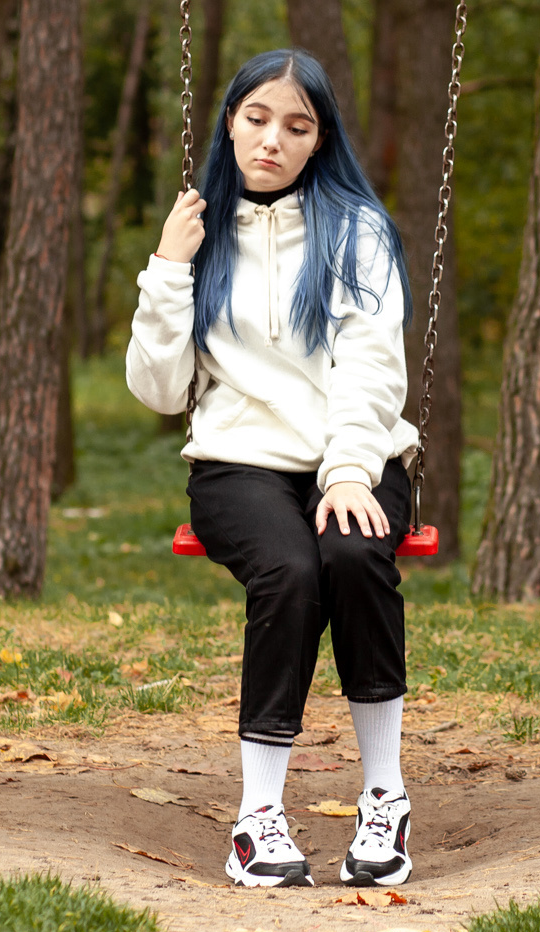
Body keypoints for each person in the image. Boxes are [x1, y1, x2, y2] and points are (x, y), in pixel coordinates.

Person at [127, 49, 420, 888]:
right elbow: (157, 389)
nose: (272, 140)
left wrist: (351, 470)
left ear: (319, 140)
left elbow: (371, 365)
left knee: (355, 556)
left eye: (297, 126)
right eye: (257, 119)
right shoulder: (199, 227)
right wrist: (168, 267)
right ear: (230, 121)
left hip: (354, 456)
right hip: (237, 465)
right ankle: (259, 816)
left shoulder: (356, 229)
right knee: (290, 571)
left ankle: (384, 796)